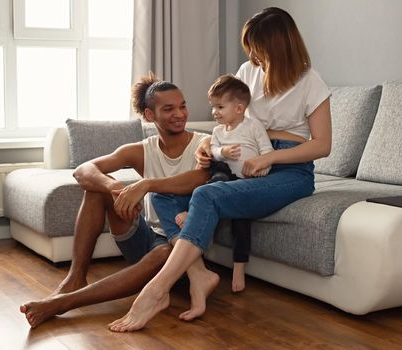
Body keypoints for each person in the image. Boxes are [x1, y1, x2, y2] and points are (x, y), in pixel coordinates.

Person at [107, 6, 332, 332]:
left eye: (257, 47)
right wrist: (208, 146)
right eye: (250, 48)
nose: (252, 55)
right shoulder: (248, 71)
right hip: (242, 158)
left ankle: (157, 290)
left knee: (207, 195)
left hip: (290, 170)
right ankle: (199, 274)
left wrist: (269, 157)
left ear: (278, 45)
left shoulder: (310, 81)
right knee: (163, 194)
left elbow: (322, 145)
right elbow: (228, 117)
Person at [19, 72, 220, 328]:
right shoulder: (141, 150)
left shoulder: (204, 144)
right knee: (96, 190)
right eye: (168, 109)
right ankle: (75, 277)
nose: (179, 114)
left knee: (164, 252)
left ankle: (62, 303)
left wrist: (146, 184)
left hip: (183, 248)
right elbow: (83, 171)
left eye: (182, 106)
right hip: (148, 237)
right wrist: (114, 187)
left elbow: (199, 179)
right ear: (150, 115)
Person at [167, 74, 273, 293]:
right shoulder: (217, 131)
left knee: (241, 222)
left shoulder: (253, 127)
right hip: (223, 176)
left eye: (220, 107)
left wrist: (263, 167)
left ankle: (238, 268)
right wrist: (221, 151)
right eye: (213, 106)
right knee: (218, 175)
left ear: (239, 108)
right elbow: (213, 152)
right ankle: (191, 210)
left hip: (244, 183)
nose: (214, 112)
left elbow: (267, 152)